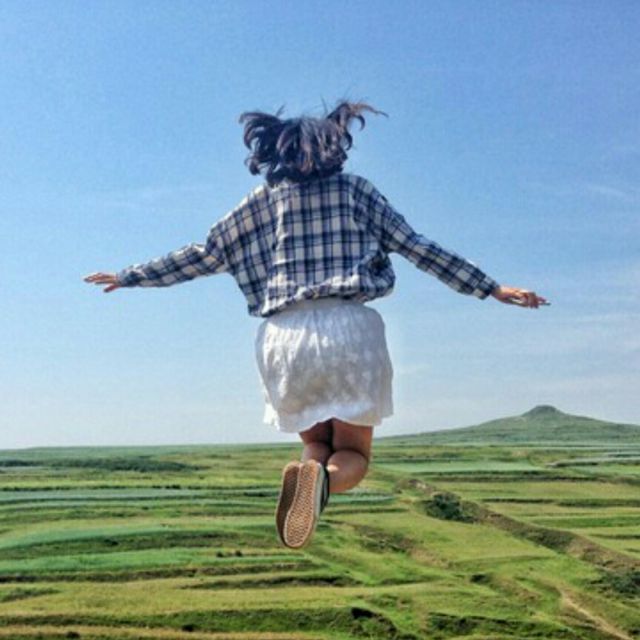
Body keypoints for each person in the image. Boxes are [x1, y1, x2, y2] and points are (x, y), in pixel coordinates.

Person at [84, 100, 547, 549]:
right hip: (348, 330)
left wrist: (130, 276)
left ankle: (311, 475)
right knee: (353, 454)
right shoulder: (356, 192)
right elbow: (417, 247)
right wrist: (490, 287)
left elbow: (202, 255)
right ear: (334, 147)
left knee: (316, 445)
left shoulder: (259, 204)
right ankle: (324, 483)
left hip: (283, 338)